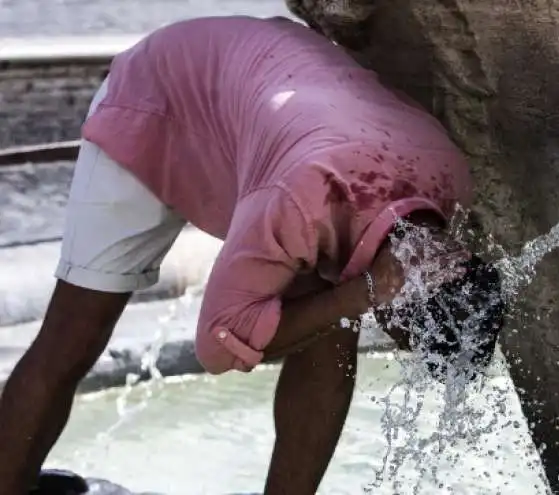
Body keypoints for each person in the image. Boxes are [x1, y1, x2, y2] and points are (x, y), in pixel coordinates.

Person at [0, 16, 504, 495]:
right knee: (75, 334)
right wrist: (362, 293)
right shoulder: (297, 200)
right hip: (161, 96)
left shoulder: (452, 184)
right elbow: (216, 346)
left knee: (332, 324)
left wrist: (354, 298)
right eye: (401, 340)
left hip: (272, 118)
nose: (395, 346)